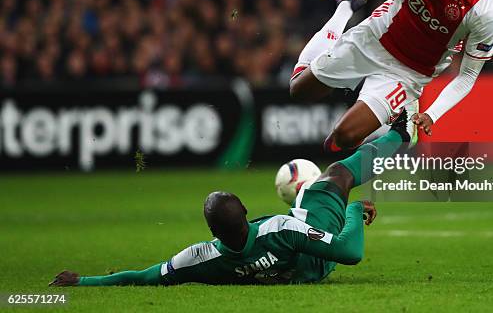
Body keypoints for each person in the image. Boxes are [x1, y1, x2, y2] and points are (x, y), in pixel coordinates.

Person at [49, 111, 414, 286]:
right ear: (245, 211)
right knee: (337, 175)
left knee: (326, 185)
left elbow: (147, 276)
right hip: (315, 256)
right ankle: (400, 135)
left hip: (297, 261)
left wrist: (83, 282)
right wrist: (353, 210)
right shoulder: (279, 227)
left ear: (211, 230)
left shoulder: (200, 258)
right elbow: (350, 252)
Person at [290, 0, 493, 151]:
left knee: (342, 138)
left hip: (407, 73)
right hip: (374, 37)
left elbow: (468, 76)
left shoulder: (485, 10)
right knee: (299, 91)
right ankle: (345, 7)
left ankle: (402, 113)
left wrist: (432, 114)